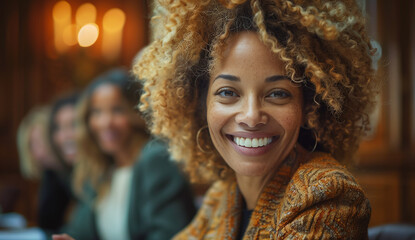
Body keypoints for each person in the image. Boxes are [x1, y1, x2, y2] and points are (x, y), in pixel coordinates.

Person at [134, 0, 379, 239]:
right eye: (228, 92)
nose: (251, 116)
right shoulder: (222, 197)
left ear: (308, 107)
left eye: (277, 94)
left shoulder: (328, 195)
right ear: (201, 104)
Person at [53, 69, 196, 240]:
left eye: (117, 110)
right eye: (97, 112)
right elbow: (78, 231)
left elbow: (167, 235)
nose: (106, 122)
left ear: (135, 113)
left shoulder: (155, 159)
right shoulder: (101, 168)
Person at [39, 93, 79, 232]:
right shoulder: (64, 174)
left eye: (73, 125)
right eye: (58, 128)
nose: (64, 136)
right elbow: (47, 224)